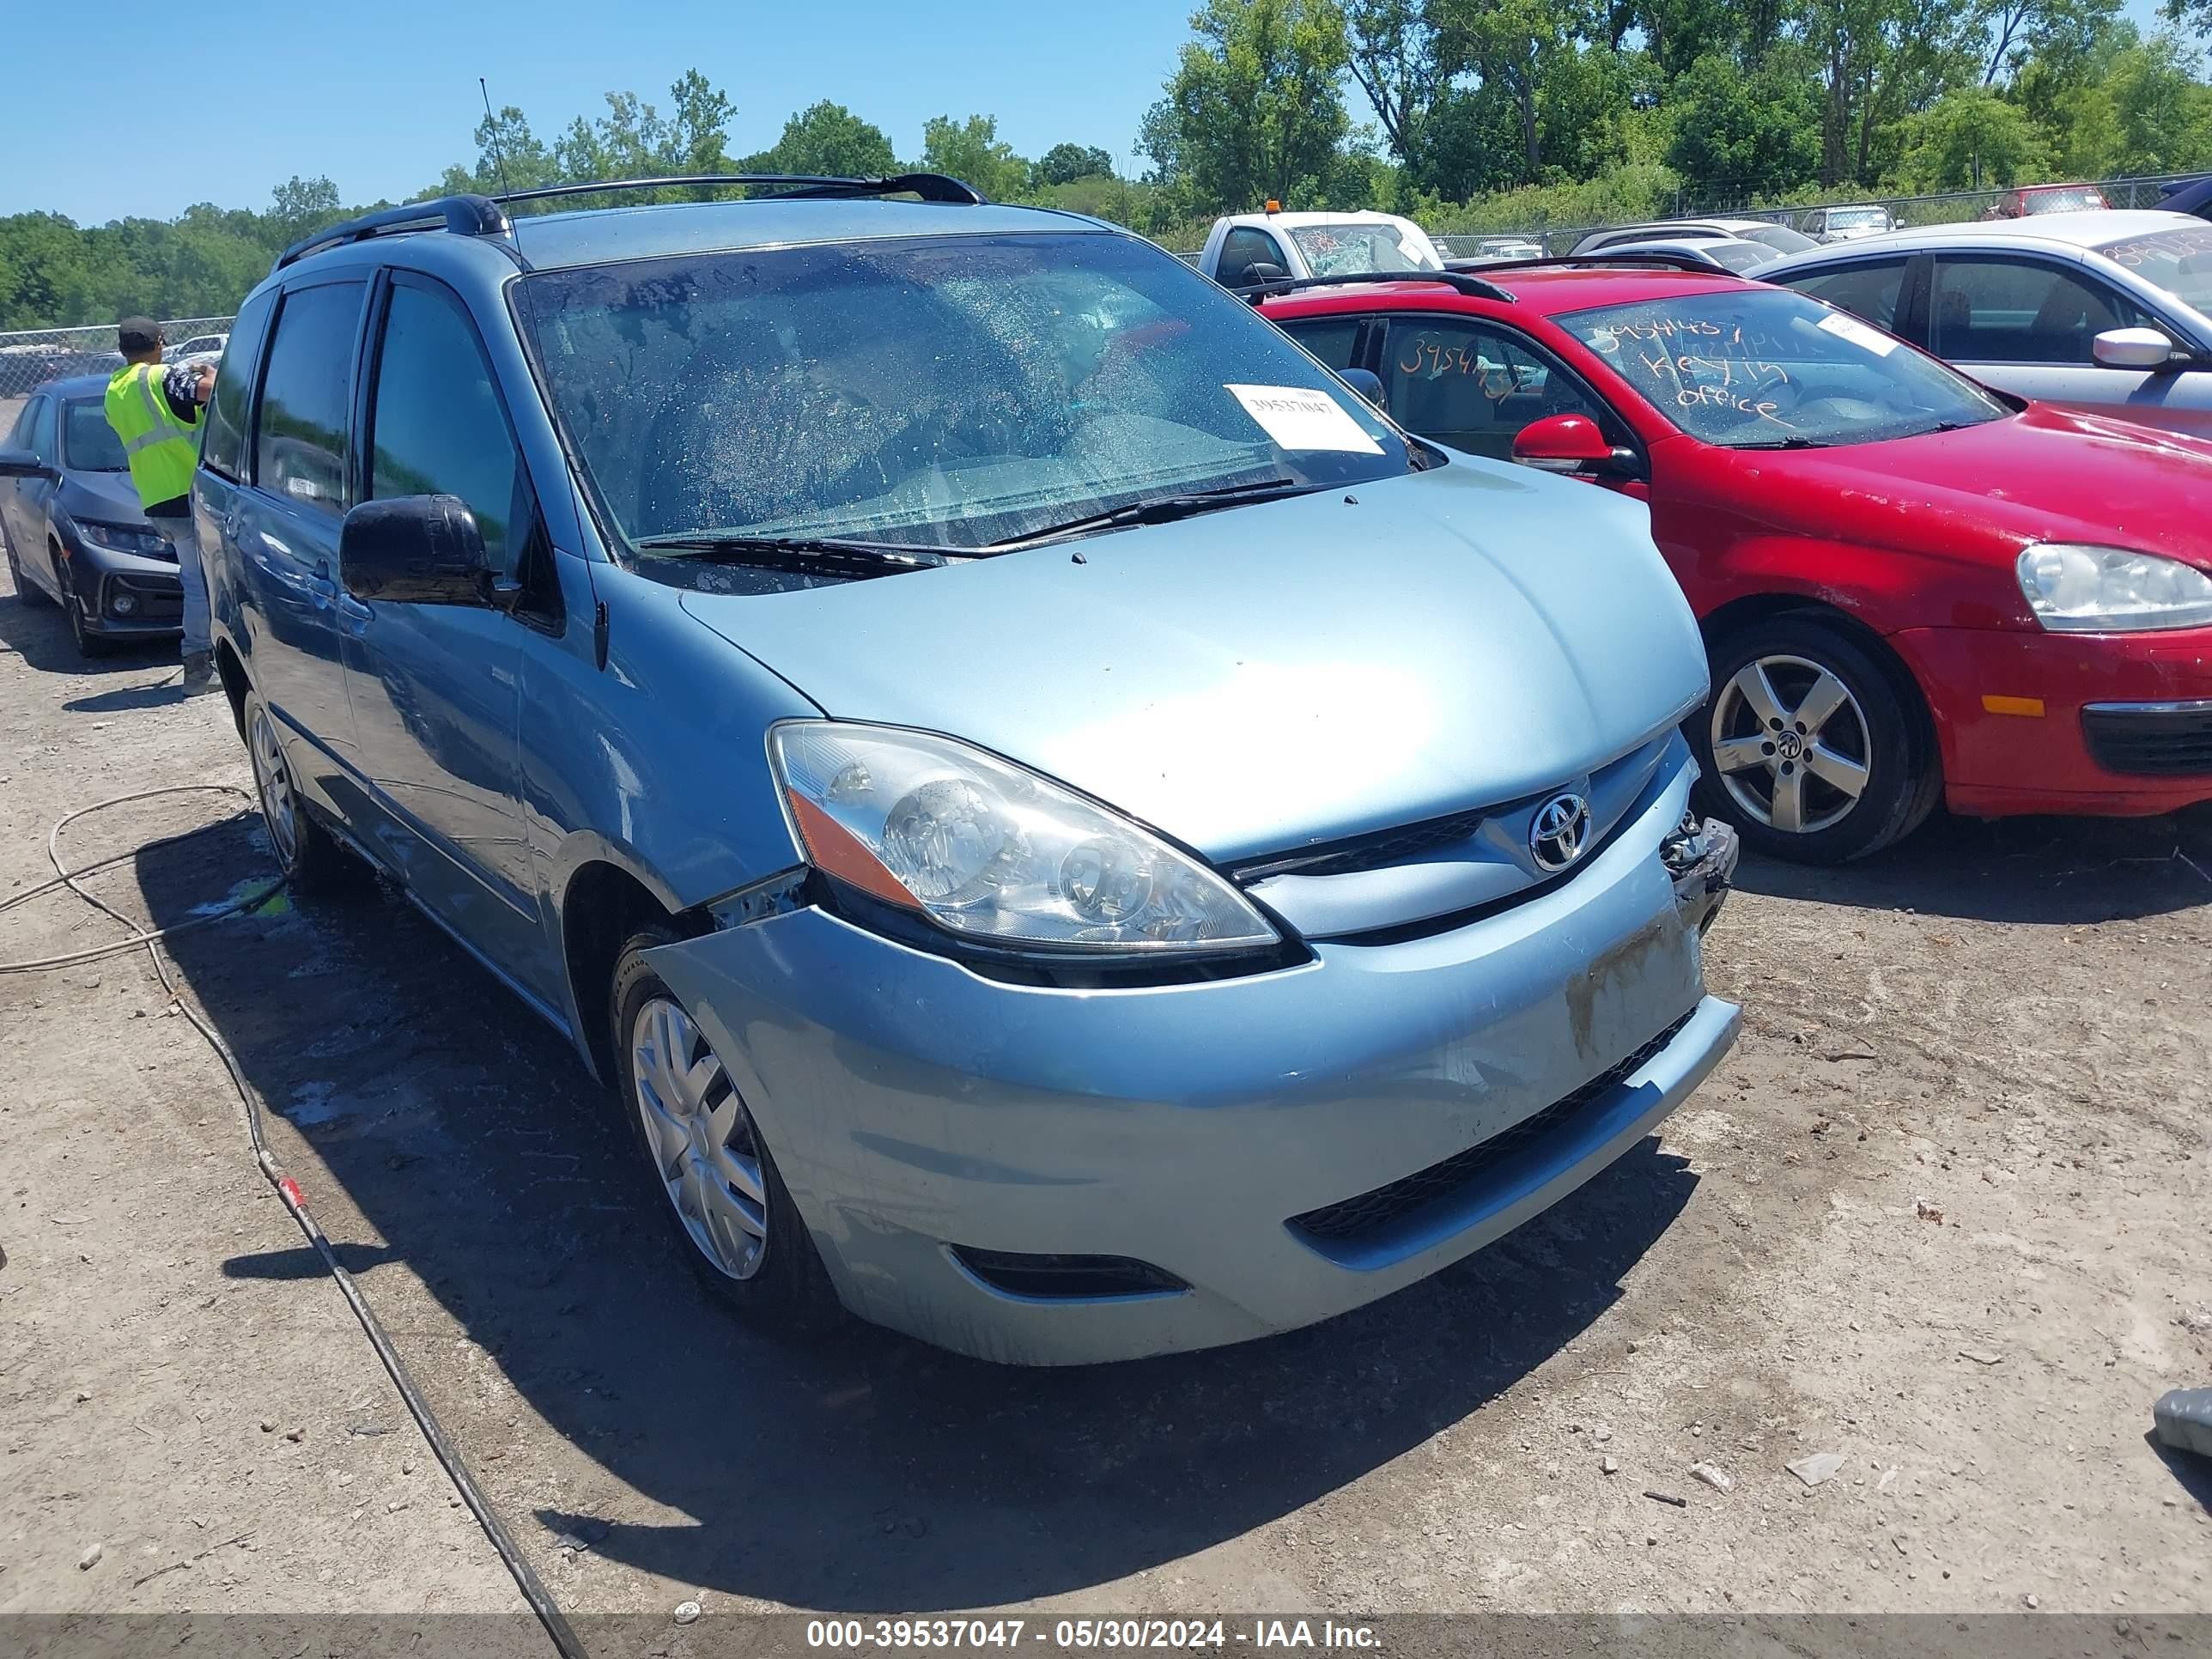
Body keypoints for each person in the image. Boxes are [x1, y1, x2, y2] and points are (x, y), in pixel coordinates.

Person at [103, 318, 216, 692]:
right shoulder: (161, 377)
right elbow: (212, 391)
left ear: (123, 350)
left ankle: (208, 659)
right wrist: (210, 372)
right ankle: (199, 665)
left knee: (197, 580)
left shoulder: (114, 392)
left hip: (157, 501)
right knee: (202, 584)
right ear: (161, 341)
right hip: (192, 495)